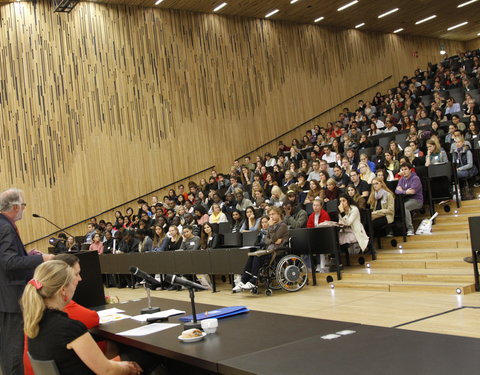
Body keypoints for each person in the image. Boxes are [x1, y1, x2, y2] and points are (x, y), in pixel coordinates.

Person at [21, 260, 142, 375]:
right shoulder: (69, 328)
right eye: (72, 282)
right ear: (63, 290)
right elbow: (107, 371)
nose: (75, 286)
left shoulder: (34, 323)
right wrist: (127, 367)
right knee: (145, 356)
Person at [0, 188, 53, 375]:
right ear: (15, 207)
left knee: (7, 350)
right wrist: (42, 259)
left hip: (5, 296)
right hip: (10, 299)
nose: (24, 209)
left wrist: (28, 255)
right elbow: (8, 262)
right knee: (12, 351)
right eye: (23, 205)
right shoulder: (5, 227)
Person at [233, 207, 288, 292]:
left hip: (277, 251)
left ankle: (253, 281)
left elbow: (273, 239)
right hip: (269, 249)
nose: (271, 216)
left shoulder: (283, 225)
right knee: (252, 255)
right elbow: (266, 240)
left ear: (279, 214)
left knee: (257, 256)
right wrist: (273, 240)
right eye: (269, 215)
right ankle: (243, 281)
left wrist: (272, 235)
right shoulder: (271, 227)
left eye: (273, 214)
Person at [395, 163, 423, 236]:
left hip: (417, 200)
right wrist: (405, 191)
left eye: (406, 169)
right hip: (406, 199)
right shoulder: (401, 179)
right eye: (402, 170)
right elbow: (396, 191)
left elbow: (412, 191)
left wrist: (402, 191)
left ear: (410, 170)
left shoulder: (415, 178)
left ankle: (410, 229)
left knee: (405, 207)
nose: (404, 171)